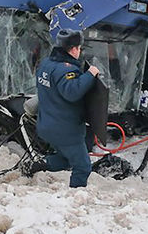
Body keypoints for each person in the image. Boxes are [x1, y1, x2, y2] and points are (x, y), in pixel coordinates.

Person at [24, 29, 100, 188]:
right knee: (83, 166)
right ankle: (75, 198)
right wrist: (90, 74)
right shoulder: (67, 70)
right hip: (65, 130)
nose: (79, 51)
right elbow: (72, 93)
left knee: (67, 158)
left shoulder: (46, 64)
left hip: (46, 125)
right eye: (79, 48)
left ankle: (40, 163)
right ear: (73, 49)